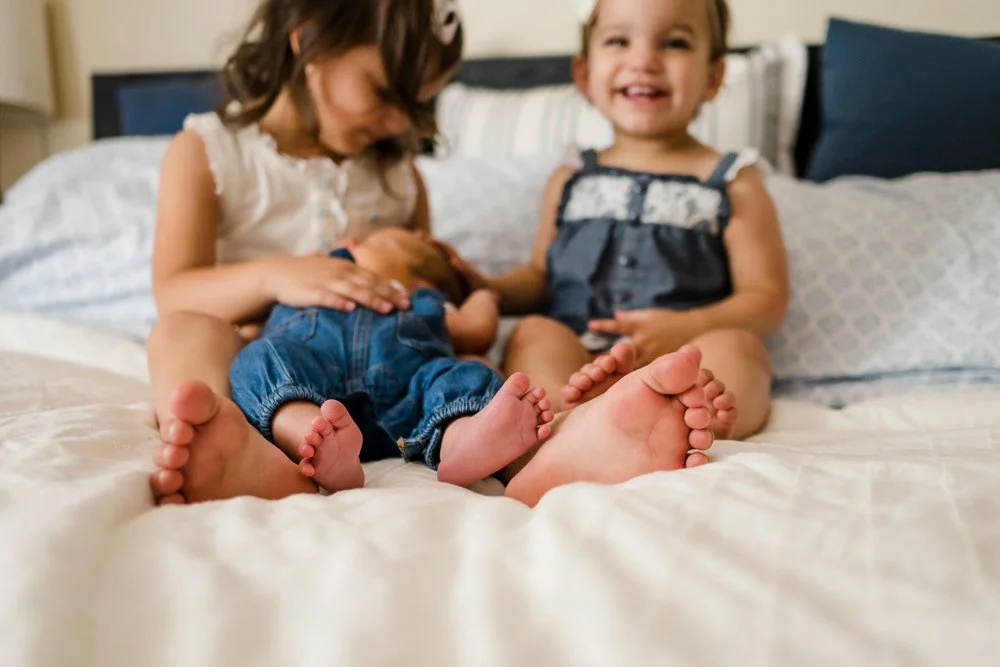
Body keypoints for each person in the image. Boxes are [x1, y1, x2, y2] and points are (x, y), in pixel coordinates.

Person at [441, 0, 790, 504]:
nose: (644, 60)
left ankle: (690, 421)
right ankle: (565, 423)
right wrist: (486, 287)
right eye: (618, 41)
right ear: (584, 74)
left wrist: (686, 330)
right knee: (537, 331)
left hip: (683, 361)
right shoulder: (570, 175)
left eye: (674, 42)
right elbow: (541, 274)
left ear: (714, 77)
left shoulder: (733, 180)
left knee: (741, 347)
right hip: (580, 356)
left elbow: (766, 296)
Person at [148, 0, 467, 505]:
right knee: (180, 331)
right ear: (309, 40)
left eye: (418, 104)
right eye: (384, 93)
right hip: (263, 357)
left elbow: (422, 297)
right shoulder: (211, 151)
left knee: (463, 359)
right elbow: (173, 291)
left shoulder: (400, 178)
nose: (398, 122)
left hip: (384, 371)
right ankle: (225, 437)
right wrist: (275, 277)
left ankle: (475, 432)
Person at [227, 229, 554, 496]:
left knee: (462, 373)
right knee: (258, 357)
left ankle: (462, 437)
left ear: (422, 284)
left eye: (375, 242)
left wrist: (484, 295)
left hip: (405, 401)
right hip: (315, 388)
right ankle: (307, 433)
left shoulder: (425, 301)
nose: (352, 243)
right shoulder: (304, 283)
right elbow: (260, 333)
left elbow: (476, 331)